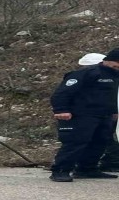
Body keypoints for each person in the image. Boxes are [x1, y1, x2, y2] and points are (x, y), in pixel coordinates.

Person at [49, 48, 119, 182]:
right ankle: (60, 170)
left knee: (100, 142)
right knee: (76, 142)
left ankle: (87, 169)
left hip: (105, 115)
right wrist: (61, 110)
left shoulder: (115, 76)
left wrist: (114, 111)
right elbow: (62, 92)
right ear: (107, 61)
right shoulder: (87, 73)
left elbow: (113, 96)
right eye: (116, 64)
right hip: (81, 114)